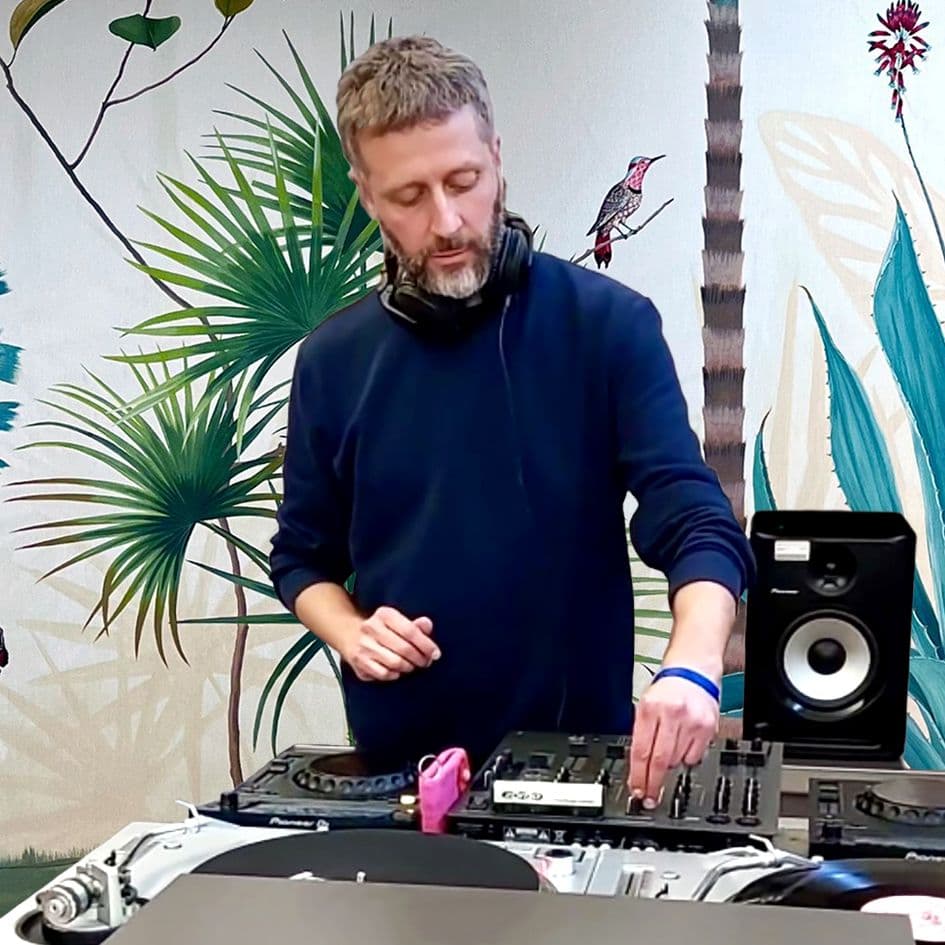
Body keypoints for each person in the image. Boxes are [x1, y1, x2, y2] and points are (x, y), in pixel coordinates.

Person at [269, 35, 756, 809]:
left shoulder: (607, 325)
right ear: (365, 194)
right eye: (408, 196)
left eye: (463, 181)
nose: (446, 220)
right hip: (400, 774)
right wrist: (349, 630)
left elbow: (694, 519)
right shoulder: (332, 359)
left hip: (580, 767)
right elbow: (301, 558)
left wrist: (693, 666)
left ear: (496, 158)